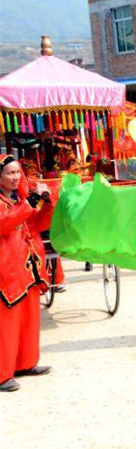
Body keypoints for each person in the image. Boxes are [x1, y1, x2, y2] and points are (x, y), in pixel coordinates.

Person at [1, 155, 53, 392]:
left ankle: (26, 363)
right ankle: (2, 374)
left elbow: (38, 224)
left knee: (29, 319)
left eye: (17, 172)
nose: (15, 177)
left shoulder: (20, 199)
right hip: (6, 270)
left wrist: (47, 203)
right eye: (10, 173)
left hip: (27, 268)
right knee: (6, 325)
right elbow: (4, 222)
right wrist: (30, 201)